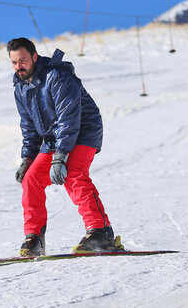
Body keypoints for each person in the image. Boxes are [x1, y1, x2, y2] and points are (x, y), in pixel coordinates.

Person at [7, 37, 123, 256]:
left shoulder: (57, 76)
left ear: (34, 56)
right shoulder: (20, 87)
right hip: (54, 139)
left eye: (22, 60)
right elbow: (29, 126)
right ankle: (34, 238)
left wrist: (60, 157)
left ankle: (101, 232)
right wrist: (27, 159)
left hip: (83, 130)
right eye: (14, 62)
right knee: (31, 179)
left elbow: (68, 118)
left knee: (74, 173)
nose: (18, 66)